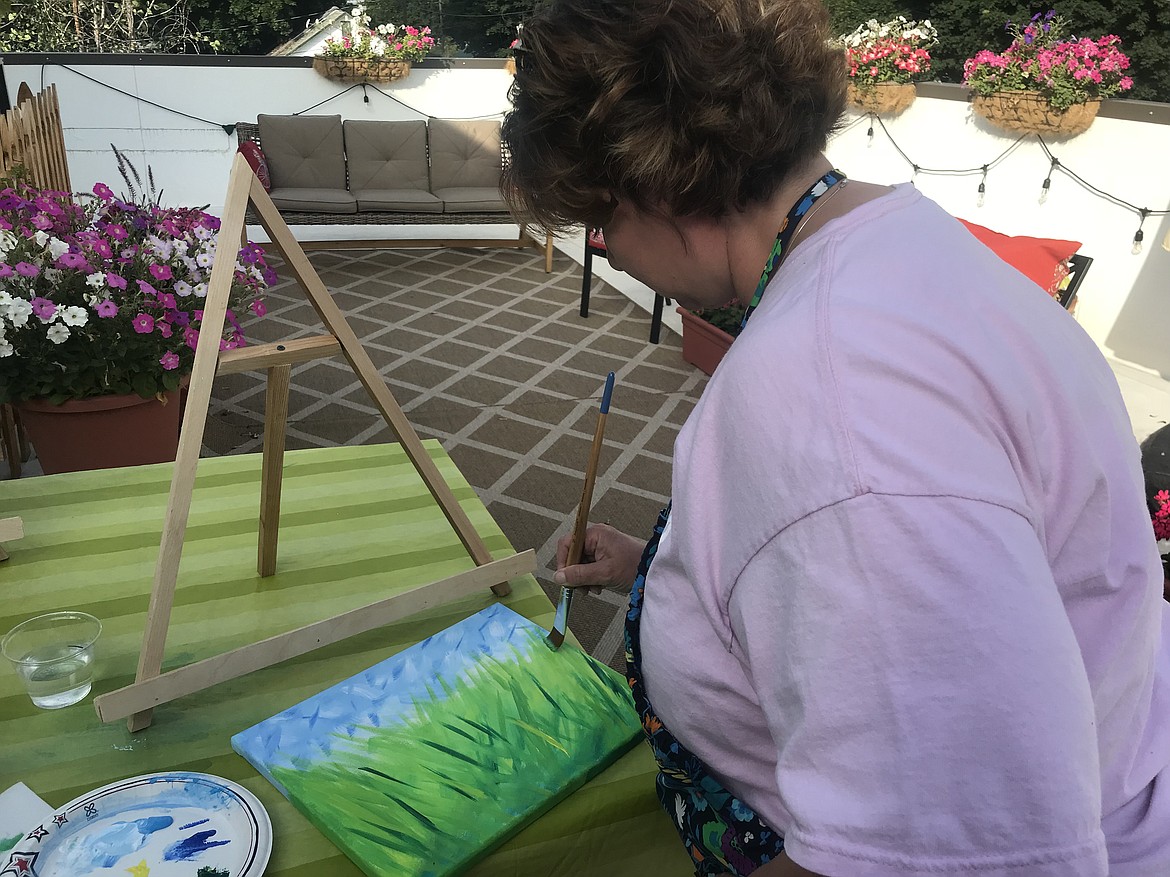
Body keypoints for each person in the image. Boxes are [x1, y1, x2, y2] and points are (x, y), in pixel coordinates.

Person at [501, 1, 1170, 875]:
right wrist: (665, 563)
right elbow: (878, 561)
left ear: (652, 183)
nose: (611, 253)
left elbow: (943, 849)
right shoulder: (905, 242)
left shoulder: (828, 401)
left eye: (600, 221)